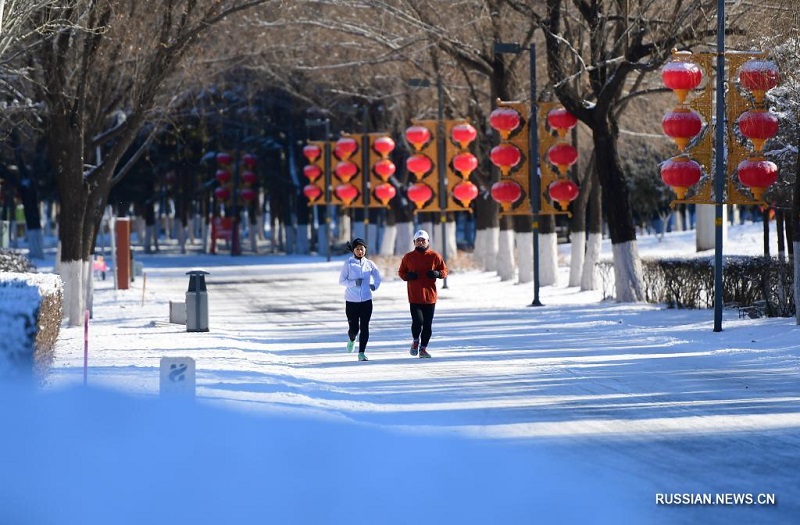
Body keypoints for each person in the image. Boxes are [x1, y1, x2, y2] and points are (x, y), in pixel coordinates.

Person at [398, 229, 448, 358]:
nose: (420, 243)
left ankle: (423, 349)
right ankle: (415, 341)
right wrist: (408, 276)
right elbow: (401, 272)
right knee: (417, 321)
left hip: (430, 297)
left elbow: (444, 270)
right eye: (418, 241)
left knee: (427, 324)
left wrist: (438, 274)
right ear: (414, 242)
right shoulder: (408, 257)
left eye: (423, 240)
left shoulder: (435, 256)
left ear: (428, 242)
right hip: (415, 296)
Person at [338, 238, 382, 362]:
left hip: (367, 301)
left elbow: (378, 277)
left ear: (365, 250)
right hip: (351, 301)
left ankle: (361, 353)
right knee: (354, 330)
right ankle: (352, 339)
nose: (360, 251)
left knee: (365, 327)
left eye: (362, 249)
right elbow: (341, 281)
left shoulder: (370, 264)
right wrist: (353, 283)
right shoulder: (348, 264)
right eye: (357, 249)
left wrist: (375, 285)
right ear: (353, 250)